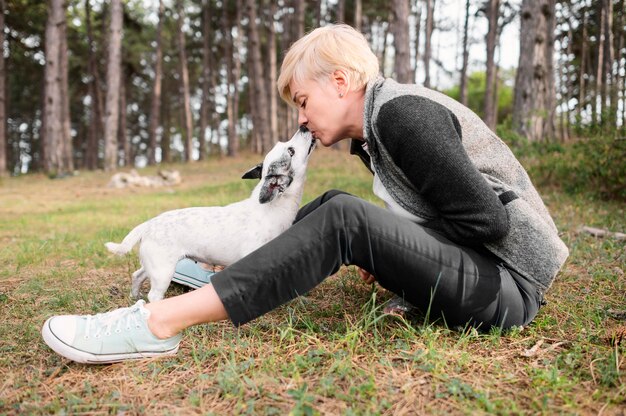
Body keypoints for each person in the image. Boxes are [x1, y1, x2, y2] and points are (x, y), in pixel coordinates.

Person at [41, 24, 569, 364]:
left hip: (506, 289)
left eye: (302, 99)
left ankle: (156, 324)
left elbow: (489, 224)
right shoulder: (379, 126)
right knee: (335, 209)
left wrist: (399, 240)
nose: (301, 117)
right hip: (482, 276)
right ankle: (225, 271)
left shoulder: (403, 115)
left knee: (345, 216)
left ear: (340, 82)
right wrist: (401, 248)